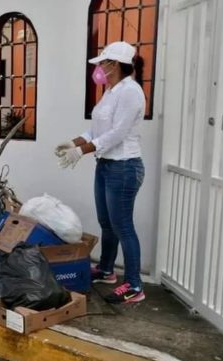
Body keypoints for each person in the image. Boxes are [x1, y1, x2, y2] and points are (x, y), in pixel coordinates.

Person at [55, 41, 146, 304]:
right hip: (106, 165)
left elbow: (117, 134)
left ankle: (134, 285)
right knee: (107, 223)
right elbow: (96, 130)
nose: (99, 69)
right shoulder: (110, 91)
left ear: (114, 65)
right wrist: (73, 143)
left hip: (124, 167)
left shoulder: (131, 92)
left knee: (123, 227)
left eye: (103, 63)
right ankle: (106, 270)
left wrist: (80, 152)